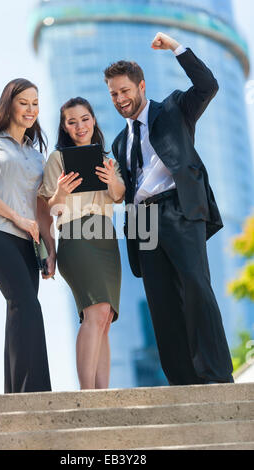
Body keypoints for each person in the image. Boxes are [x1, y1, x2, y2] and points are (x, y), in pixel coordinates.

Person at [104, 32, 234, 386]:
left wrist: (177, 47)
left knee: (196, 288)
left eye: (125, 91)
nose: (120, 99)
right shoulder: (120, 142)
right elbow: (128, 190)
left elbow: (207, 85)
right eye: (113, 94)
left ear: (141, 86)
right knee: (161, 304)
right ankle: (182, 381)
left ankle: (218, 376)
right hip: (143, 221)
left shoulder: (175, 108)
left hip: (178, 207)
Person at [0, 78, 54, 393]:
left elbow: (41, 205)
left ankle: (15, 393)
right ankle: (34, 392)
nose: (31, 109)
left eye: (35, 103)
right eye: (24, 102)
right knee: (26, 305)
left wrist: (50, 246)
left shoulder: (36, 154)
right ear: (9, 104)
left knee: (18, 309)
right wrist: (17, 217)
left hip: (28, 243)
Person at [38, 97, 125, 390]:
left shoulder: (107, 158)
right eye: (72, 121)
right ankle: (87, 394)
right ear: (64, 127)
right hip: (75, 235)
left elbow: (119, 195)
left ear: (93, 120)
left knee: (105, 319)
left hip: (106, 237)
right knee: (95, 312)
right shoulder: (58, 159)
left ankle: (103, 394)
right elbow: (49, 207)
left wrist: (111, 179)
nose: (80, 126)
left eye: (85, 119)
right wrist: (61, 193)